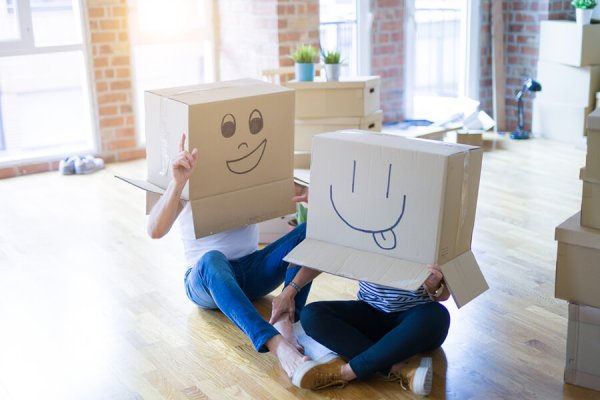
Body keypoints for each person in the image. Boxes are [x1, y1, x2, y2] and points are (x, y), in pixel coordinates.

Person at [148, 132, 312, 377]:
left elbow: (298, 190)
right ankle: (274, 343)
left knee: (311, 230)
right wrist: (178, 183)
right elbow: (155, 230)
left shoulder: (249, 167)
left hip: (252, 271)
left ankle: (286, 320)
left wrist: (310, 193)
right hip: (206, 278)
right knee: (212, 258)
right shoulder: (188, 175)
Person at [270, 264, 451, 395]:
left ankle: (344, 372)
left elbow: (445, 295)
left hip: (413, 318)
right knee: (312, 315)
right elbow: (328, 250)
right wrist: (289, 292)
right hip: (369, 312)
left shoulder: (433, 226)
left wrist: (433, 287)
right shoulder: (362, 217)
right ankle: (396, 368)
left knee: (439, 315)